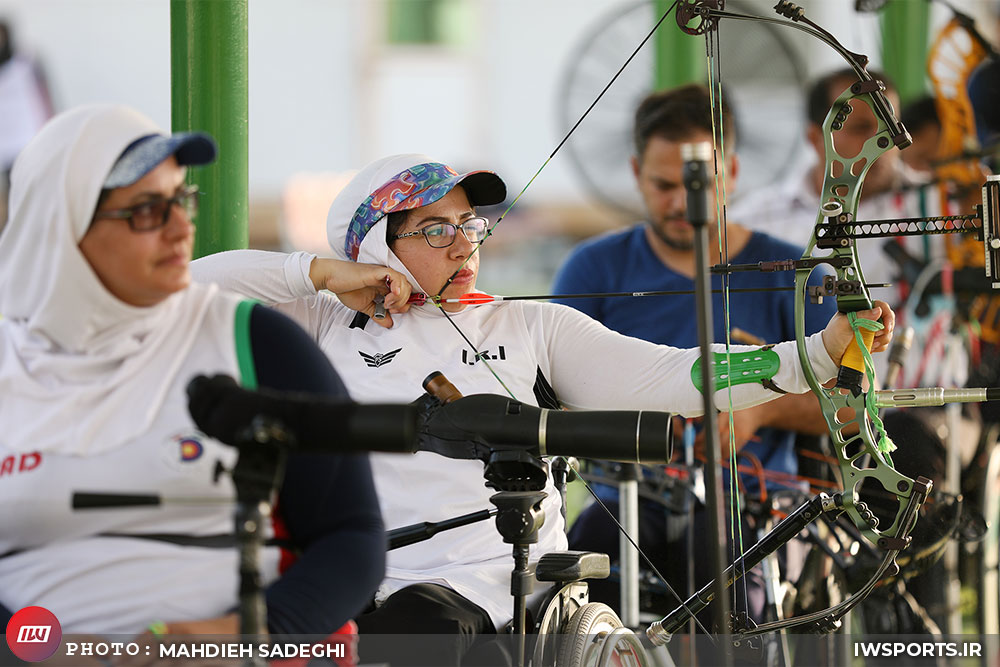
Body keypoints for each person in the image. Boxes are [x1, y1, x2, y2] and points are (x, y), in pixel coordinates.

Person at [191, 153, 893, 664]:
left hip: (496, 589)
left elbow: (682, 376)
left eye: (469, 223)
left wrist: (821, 352)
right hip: (355, 579)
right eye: (436, 229)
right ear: (378, 243)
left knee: (415, 633)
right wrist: (319, 273)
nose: (465, 243)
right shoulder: (319, 322)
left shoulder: (528, 326)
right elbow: (192, 290)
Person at [0, 104, 407, 640]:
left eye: (180, 201)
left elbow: (352, 539)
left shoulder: (253, 343)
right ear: (62, 224)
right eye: (146, 210)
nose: (179, 228)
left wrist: (244, 636)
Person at [551, 84, 836, 622]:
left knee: (731, 597)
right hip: (623, 500)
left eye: (694, 183)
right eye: (662, 185)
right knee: (576, 586)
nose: (680, 203)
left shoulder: (794, 275)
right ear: (636, 172)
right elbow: (544, 389)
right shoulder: (592, 270)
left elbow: (852, 402)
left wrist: (763, 407)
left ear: (730, 171)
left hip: (750, 506)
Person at [729, 68, 939, 290]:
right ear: (815, 138)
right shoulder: (753, 221)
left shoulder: (941, 202)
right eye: (862, 128)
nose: (884, 141)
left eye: (891, 127)